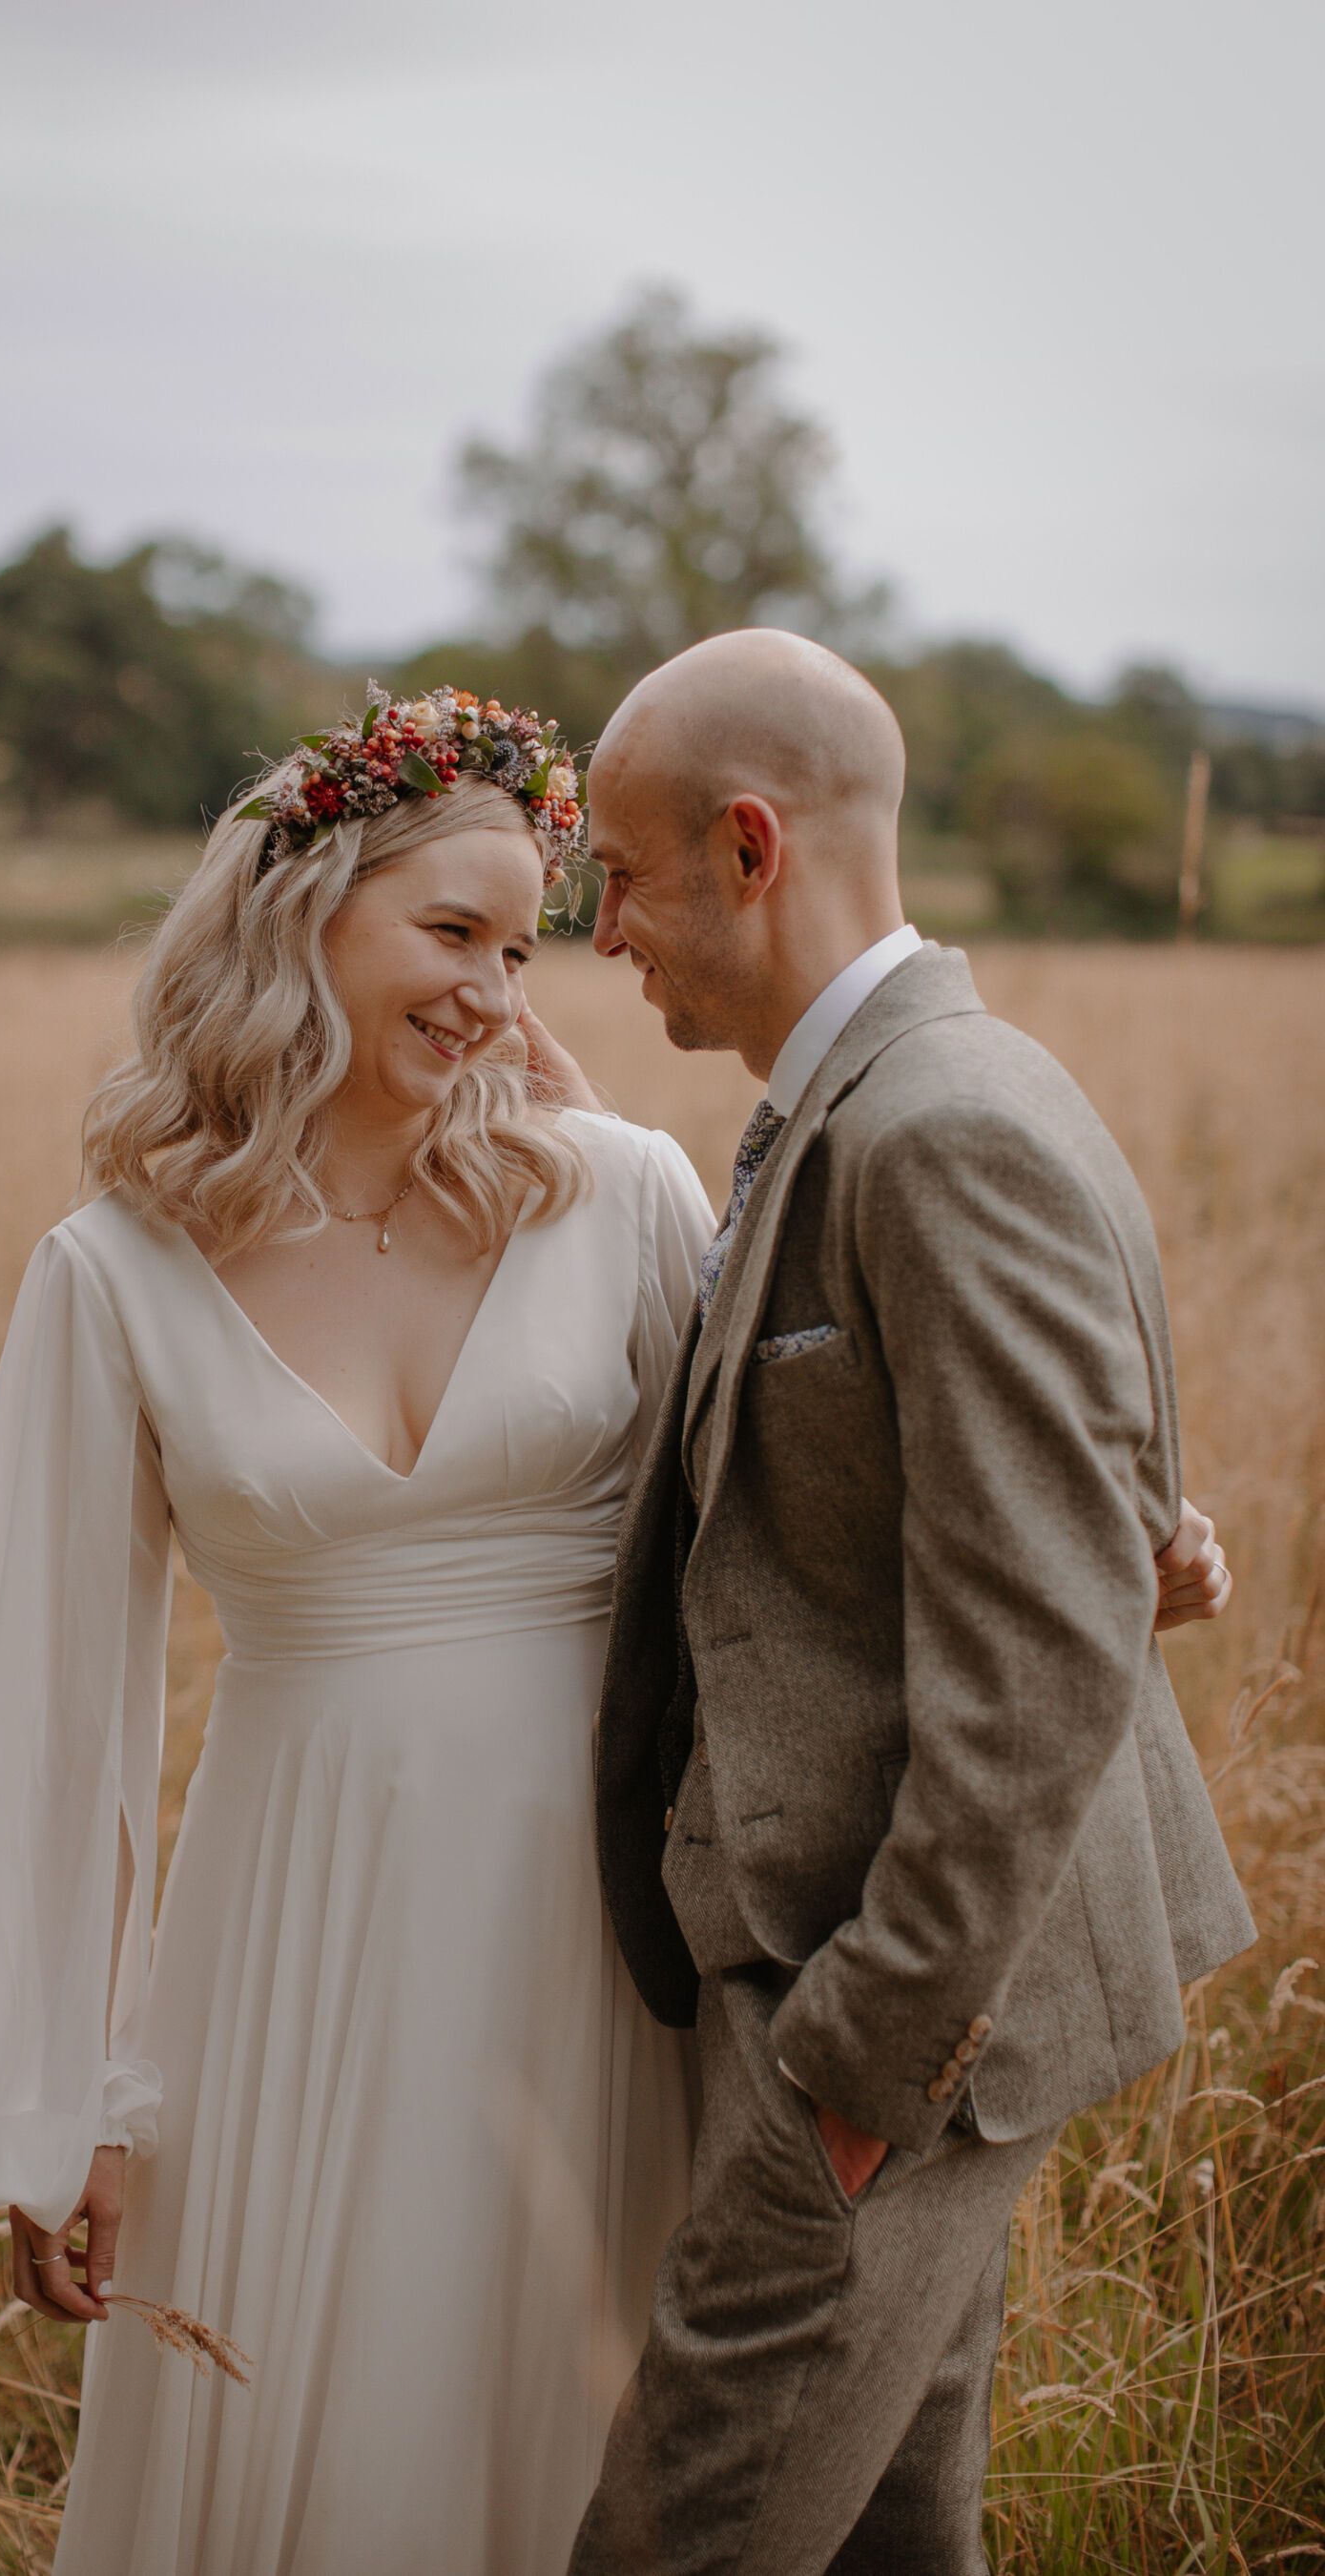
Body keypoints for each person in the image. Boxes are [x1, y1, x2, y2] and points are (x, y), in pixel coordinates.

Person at [0, 680, 1230, 2576]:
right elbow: (47, 1700)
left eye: (525, 946)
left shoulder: (619, 1195)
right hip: (298, 1929)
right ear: (299, 911)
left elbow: (810, 1487)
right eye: (454, 936)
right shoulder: (117, 1270)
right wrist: (72, 2103)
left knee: (634, 2454)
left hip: (618, 1946)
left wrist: (1114, 1541)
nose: (503, 993)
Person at [570, 630, 1253, 2576]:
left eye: (621, 874)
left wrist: (860, 2074)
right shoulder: (876, 1091)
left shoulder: (942, 1128)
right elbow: (1041, 1529)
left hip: (892, 2032)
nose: (601, 929)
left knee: (670, 2542)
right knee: (885, 2549)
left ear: (751, 844)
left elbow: (1033, 1670)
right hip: (863, 2005)